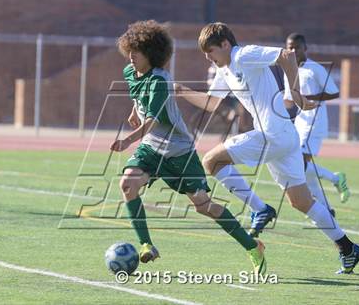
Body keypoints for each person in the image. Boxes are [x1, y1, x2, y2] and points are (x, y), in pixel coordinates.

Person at [175, 22, 359, 274]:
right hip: (284, 136)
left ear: (225, 44)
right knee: (301, 201)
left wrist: (295, 92)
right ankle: (347, 247)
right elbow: (211, 104)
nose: (207, 57)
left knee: (211, 161)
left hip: (273, 134)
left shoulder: (242, 54)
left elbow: (285, 56)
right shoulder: (224, 69)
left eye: (210, 51)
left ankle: (260, 209)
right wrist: (180, 90)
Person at [111, 20, 267, 275]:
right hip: (152, 148)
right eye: (129, 51)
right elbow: (139, 97)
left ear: (151, 54)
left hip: (179, 151)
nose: (130, 57)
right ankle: (146, 245)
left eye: (136, 52)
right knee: (128, 184)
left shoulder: (160, 81)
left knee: (204, 206)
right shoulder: (131, 72)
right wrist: (133, 111)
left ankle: (252, 246)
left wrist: (127, 140)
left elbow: (151, 121)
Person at [283, 33, 351, 216]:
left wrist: (308, 98)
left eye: (296, 47)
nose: (293, 51)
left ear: (305, 48)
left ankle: (335, 179)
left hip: (314, 123)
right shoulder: (288, 70)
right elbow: (289, 100)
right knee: (302, 169)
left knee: (300, 164)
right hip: (299, 123)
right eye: (289, 47)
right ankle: (327, 209)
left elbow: (334, 93)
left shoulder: (315, 69)